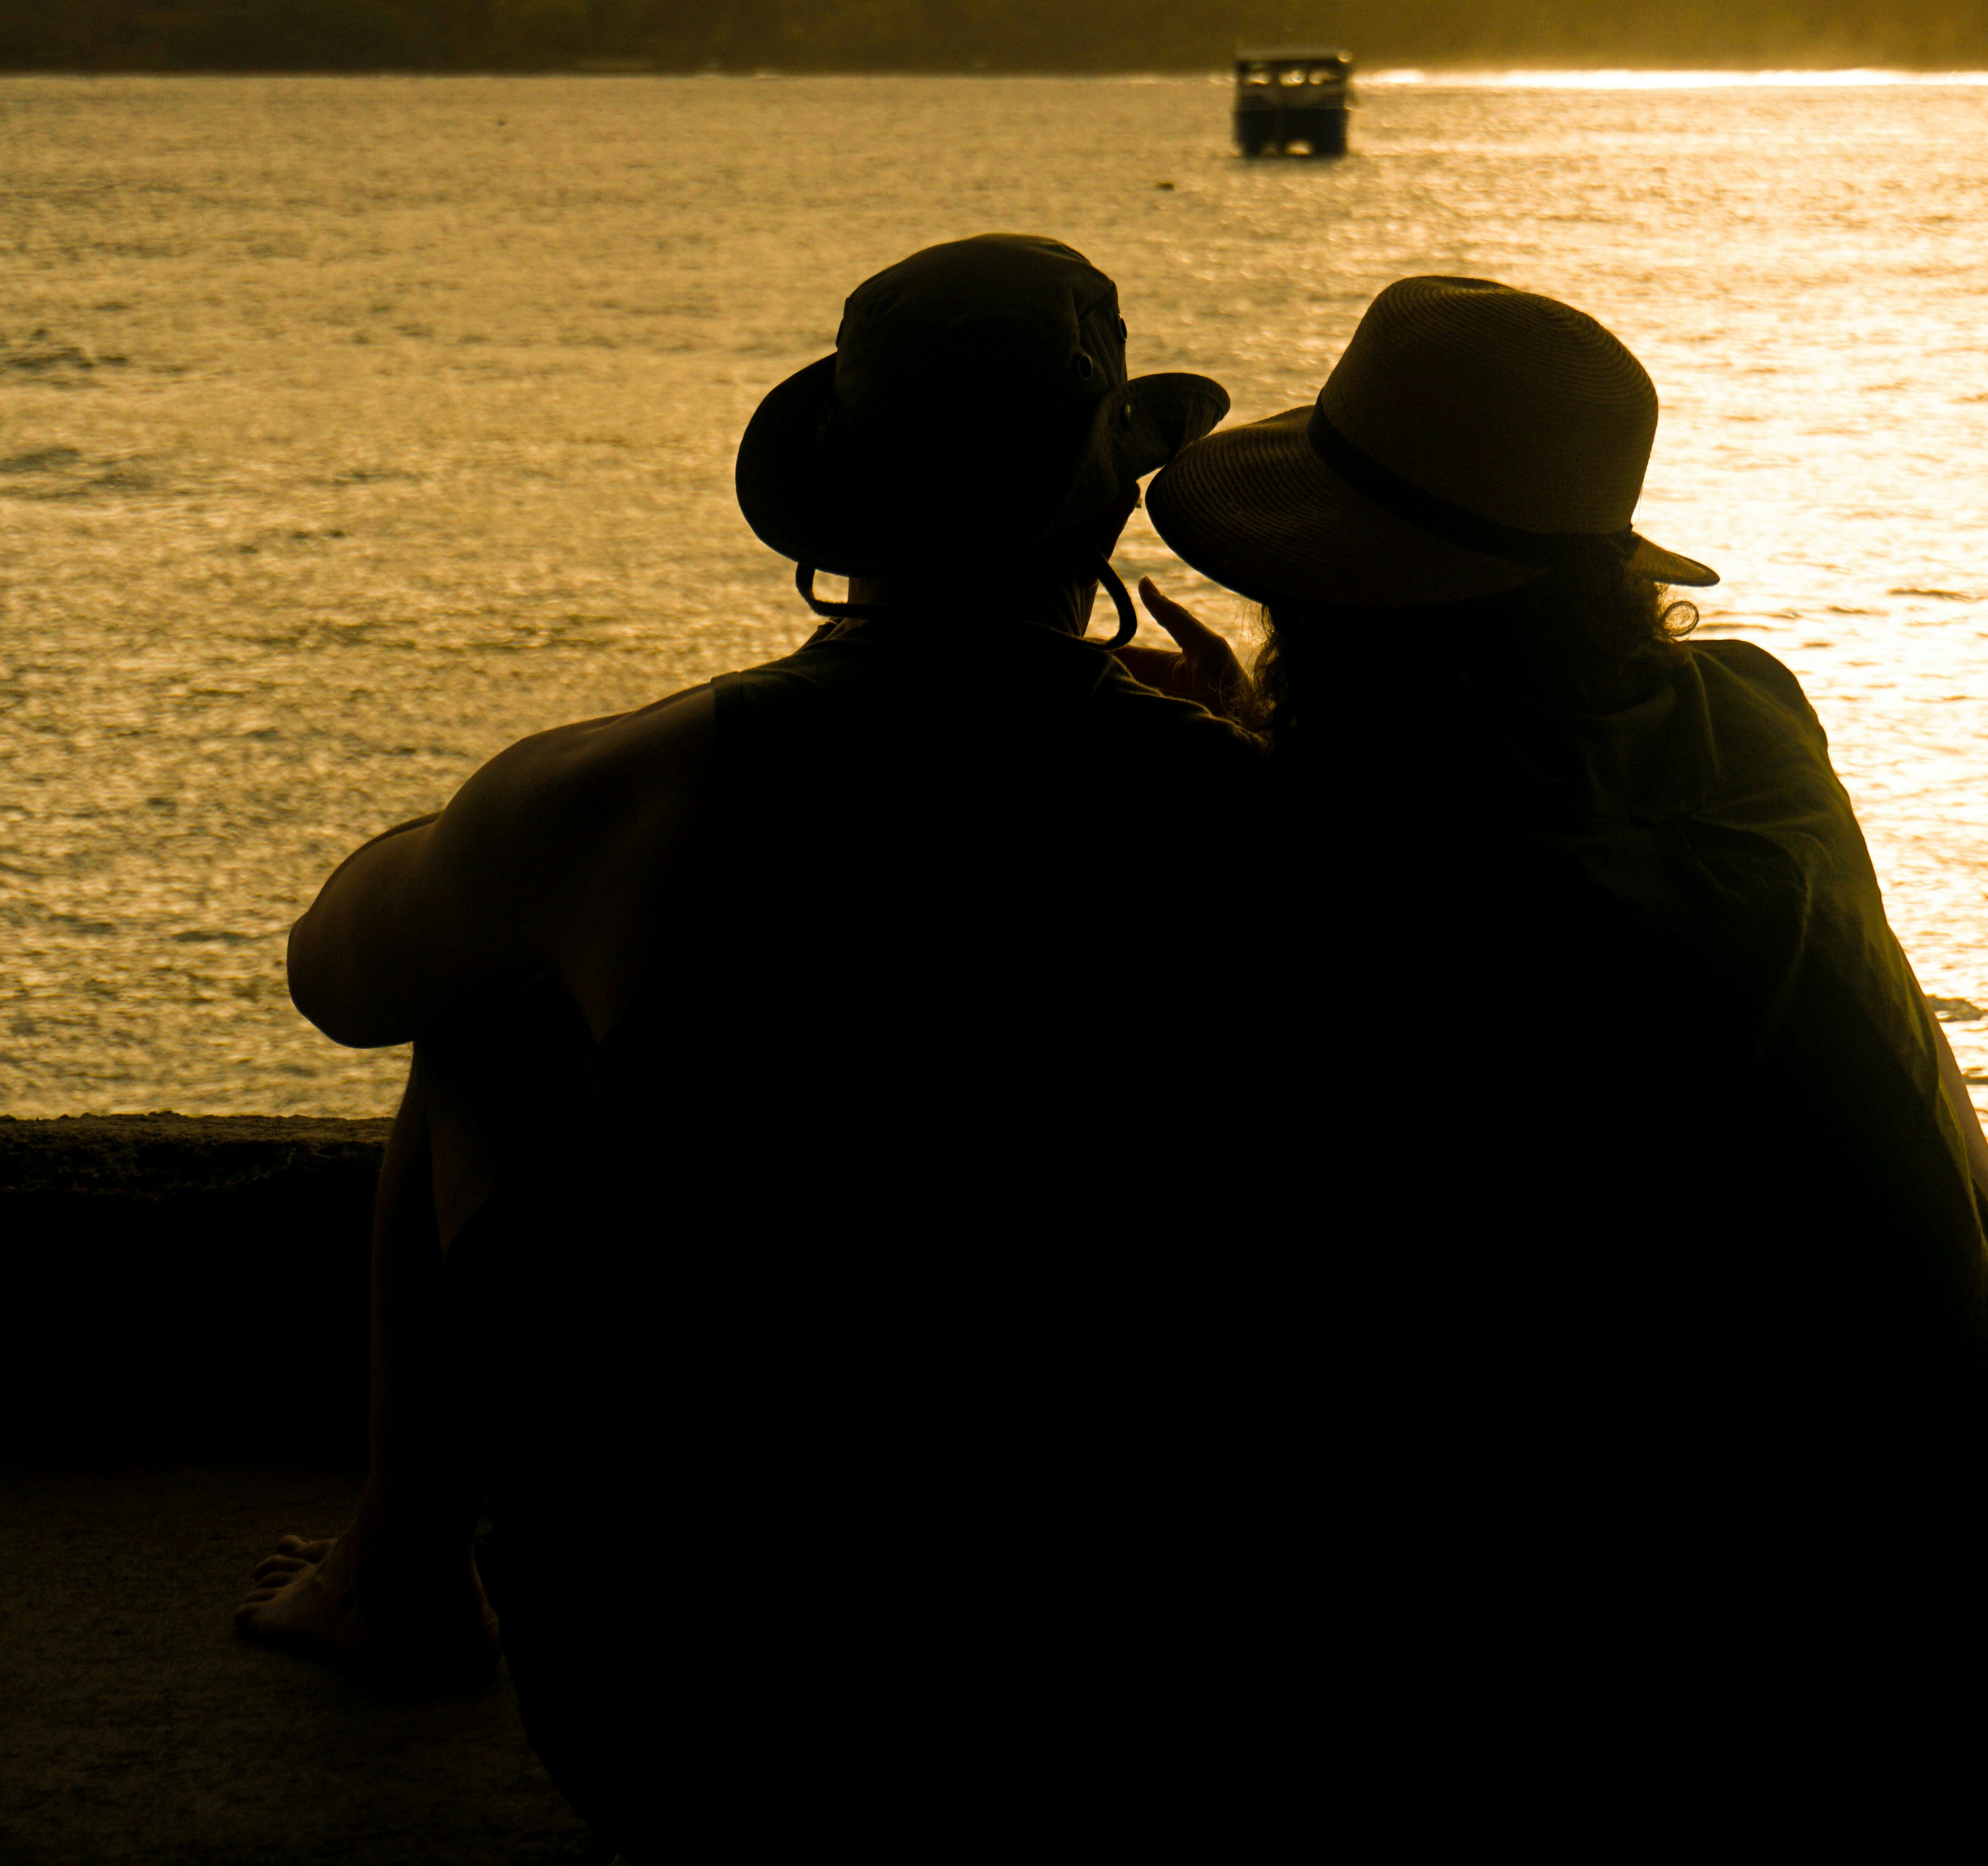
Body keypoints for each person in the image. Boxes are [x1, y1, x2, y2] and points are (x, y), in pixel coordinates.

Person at [1141, 271, 1988, 1862]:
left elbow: (1459, 876)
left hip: (1858, 1694)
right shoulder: (1756, 716)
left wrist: (1245, 770)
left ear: (1334, 608)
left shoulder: (1370, 881)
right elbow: (1556, 818)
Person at [237, 233, 1269, 1859]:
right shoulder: (1249, 806)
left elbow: (342, 971)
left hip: (704, 1714)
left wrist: (534, 824)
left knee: (490, 1005)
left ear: (837, 515)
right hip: (1141, 1700)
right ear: (1110, 504)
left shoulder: (636, 792)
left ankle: (399, 1572)